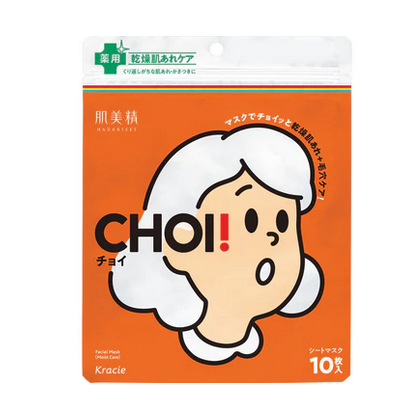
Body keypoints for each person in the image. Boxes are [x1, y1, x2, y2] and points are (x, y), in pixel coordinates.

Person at [110, 124, 324, 364]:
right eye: (250, 221)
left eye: (284, 223)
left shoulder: (292, 354)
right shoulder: (144, 352)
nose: (272, 236)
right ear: (180, 243)